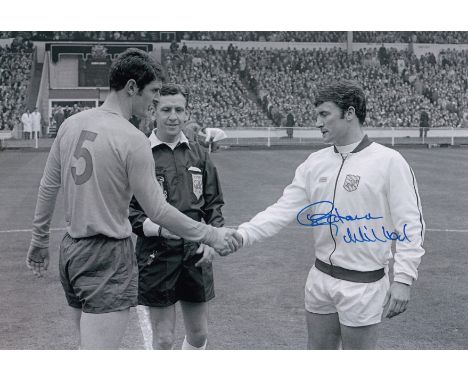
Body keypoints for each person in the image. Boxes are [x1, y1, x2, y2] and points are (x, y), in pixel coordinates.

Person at [26, 48, 241, 350]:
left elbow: (48, 186)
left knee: (84, 349)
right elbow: (158, 210)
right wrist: (211, 234)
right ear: (131, 87)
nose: (154, 100)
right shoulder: (133, 139)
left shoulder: (71, 124)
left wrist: (38, 240)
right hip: (107, 254)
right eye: (152, 92)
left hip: (71, 252)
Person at [235, 80, 425, 350]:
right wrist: (242, 234)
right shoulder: (315, 162)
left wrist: (404, 279)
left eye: (324, 114)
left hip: (363, 283)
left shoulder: (389, 161)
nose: (317, 122)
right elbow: (283, 209)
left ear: (349, 113)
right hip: (320, 277)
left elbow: (411, 224)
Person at [129, 84, 223, 350]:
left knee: (199, 335)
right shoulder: (139, 153)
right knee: (163, 339)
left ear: (186, 114)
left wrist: (212, 238)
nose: (173, 116)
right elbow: (128, 210)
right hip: (156, 255)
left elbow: (214, 203)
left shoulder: (200, 154)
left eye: (178, 110)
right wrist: (156, 229)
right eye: (166, 109)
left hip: (195, 252)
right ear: (154, 112)